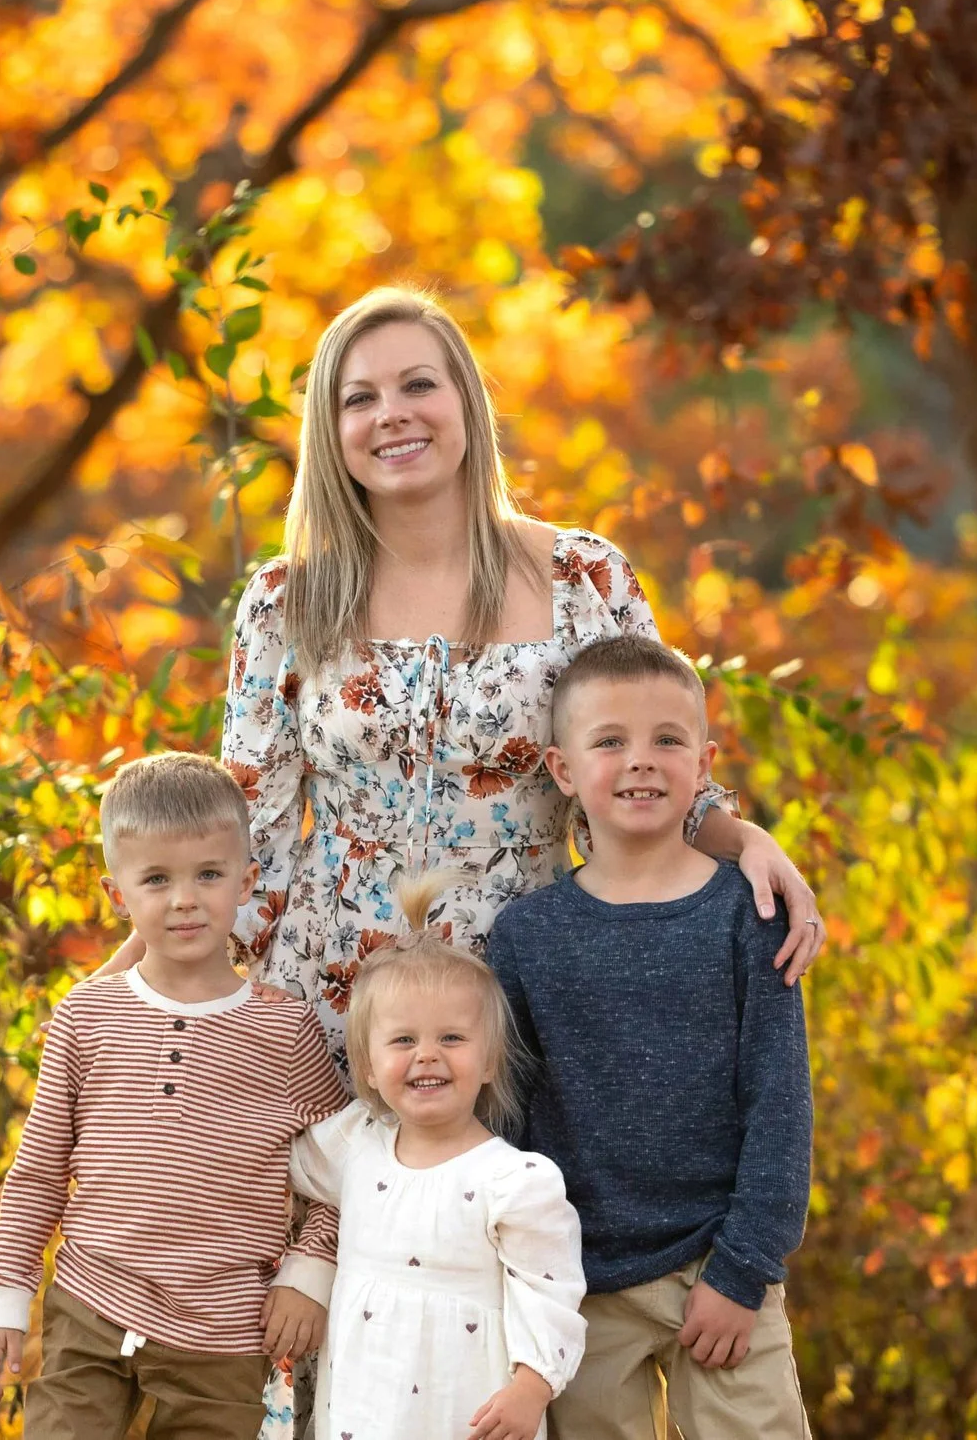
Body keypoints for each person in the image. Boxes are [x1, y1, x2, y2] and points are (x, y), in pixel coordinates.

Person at [124, 285, 824, 1070]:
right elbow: (246, 834)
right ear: (333, 430)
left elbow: (643, 773)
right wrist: (134, 990)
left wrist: (747, 839)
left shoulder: (580, 578)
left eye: (419, 384)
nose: (392, 412)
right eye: (361, 398)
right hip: (331, 1006)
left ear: (466, 401)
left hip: (523, 995)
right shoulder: (287, 602)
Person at [485, 635, 815, 1440]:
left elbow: (781, 1103)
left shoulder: (747, 911)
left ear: (703, 765)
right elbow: (507, 1121)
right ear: (563, 771)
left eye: (667, 740)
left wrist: (744, 1271)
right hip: (579, 1287)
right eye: (610, 742)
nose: (641, 761)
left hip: (721, 1261)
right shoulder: (526, 935)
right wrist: (522, 1278)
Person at [0, 754, 348, 1439]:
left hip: (223, 1338)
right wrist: (2, 1299)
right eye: (156, 879)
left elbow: (348, 1171)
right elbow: (38, 1173)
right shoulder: (86, 1015)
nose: (184, 898)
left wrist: (311, 1265)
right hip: (90, 1308)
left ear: (246, 880)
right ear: (117, 894)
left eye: (208, 873)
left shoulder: (285, 1029)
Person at [288, 873, 587, 1440]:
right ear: (369, 1068)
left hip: (467, 1411)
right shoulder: (357, 1145)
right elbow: (280, 1162)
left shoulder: (514, 1180)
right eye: (403, 1041)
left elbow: (551, 1294)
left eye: (452, 1039)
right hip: (363, 1410)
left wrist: (532, 1387)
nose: (427, 1055)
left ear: (491, 1061)